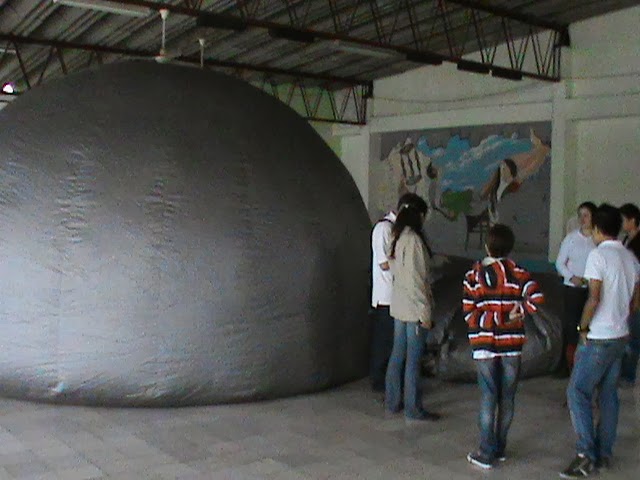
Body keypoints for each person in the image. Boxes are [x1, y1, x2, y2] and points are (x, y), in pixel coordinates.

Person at [560, 204, 640, 479]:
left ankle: (585, 454)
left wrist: (583, 327)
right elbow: (634, 301)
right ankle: (604, 453)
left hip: (599, 336)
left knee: (577, 391)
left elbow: (593, 297)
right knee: (608, 395)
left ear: (597, 229)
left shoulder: (598, 256)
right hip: (620, 334)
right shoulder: (630, 258)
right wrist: (621, 320)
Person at [463, 224, 544, 469]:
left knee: (488, 396)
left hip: (484, 344)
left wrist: (496, 318)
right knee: (507, 397)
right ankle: (500, 448)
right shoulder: (519, 273)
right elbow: (537, 298)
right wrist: (517, 312)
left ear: (486, 246)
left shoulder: (473, 277)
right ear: (510, 247)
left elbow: (470, 315)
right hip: (512, 345)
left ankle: (485, 452)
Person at [385, 194, 438, 420]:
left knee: (398, 355)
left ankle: (392, 401)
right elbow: (418, 281)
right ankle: (413, 408)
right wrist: (425, 312)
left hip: (399, 307)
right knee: (413, 360)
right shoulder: (414, 240)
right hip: (414, 309)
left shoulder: (396, 236)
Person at [369, 193, 423, 392]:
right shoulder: (384, 228)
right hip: (386, 296)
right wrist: (407, 270)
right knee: (384, 344)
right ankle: (380, 383)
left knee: (395, 345)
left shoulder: (399, 231)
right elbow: (384, 263)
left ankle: (394, 386)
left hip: (399, 297)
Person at [555, 202, 597, 375]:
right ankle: (566, 365)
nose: (582, 219)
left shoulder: (597, 239)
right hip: (572, 288)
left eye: (586, 215)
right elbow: (559, 263)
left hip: (593, 288)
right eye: (580, 215)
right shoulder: (571, 238)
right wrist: (572, 277)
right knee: (571, 326)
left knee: (589, 326)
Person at [619, 203, 640, 386]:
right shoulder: (626, 240)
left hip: (636, 296)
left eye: (624, 220)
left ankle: (629, 374)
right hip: (628, 293)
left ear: (632, 221)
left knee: (633, 337)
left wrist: (636, 299)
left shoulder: (637, 243)